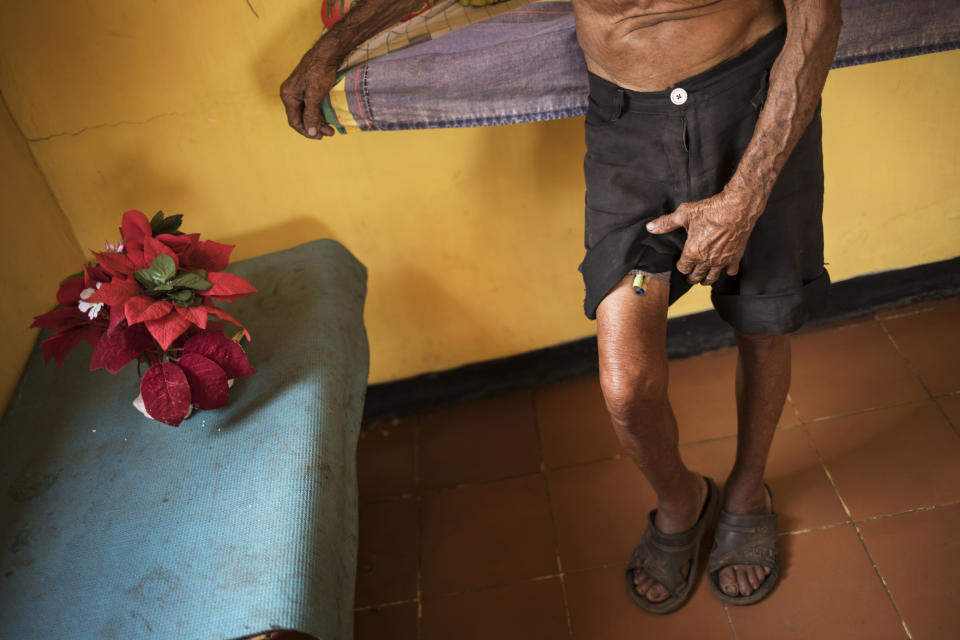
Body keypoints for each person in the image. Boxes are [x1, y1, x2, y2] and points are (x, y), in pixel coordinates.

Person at [280, 0, 842, 614]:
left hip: (758, 106)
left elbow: (817, 21)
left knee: (763, 320)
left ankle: (746, 492)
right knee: (628, 384)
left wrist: (746, 195)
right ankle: (682, 501)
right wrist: (329, 50)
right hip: (631, 130)